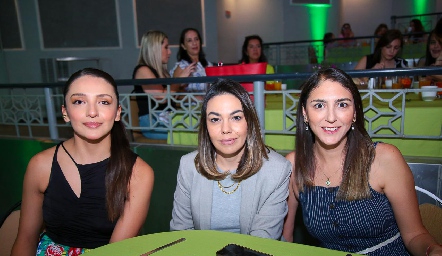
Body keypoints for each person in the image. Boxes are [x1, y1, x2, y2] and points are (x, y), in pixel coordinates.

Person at [281, 68, 442, 255]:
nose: (331, 117)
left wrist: (432, 250)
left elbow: (414, 235)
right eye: (319, 105)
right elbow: (285, 240)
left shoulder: (383, 158)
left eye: (342, 105)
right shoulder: (294, 165)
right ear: (305, 114)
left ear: (355, 112)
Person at [12, 68, 154, 255]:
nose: (92, 112)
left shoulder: (138, 173)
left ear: (117, 112)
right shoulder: (40, 165)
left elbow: (115, 253)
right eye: (79, 101)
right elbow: (26, 238)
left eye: (104, 102)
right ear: (65, 112)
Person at [170, 79, 291, 240]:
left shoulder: (276, 170)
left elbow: (262, 241)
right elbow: (181, 233)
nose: (225, 129)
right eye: (215, 119)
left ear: (249, 121)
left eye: (236, 118)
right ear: (205, 126)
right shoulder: (189, 166)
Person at [133, 30, 180, 140]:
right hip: (152, 122)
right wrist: (178, 79)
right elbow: (162, 98)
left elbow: (173, 98)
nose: (169, 52)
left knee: (198, 128)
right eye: (166, 47)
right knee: (190, 133)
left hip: (166, 118)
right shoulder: (143, 70)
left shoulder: (163, 72)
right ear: (155, 49)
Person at [170, 28, 213, 95]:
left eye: (196, 39)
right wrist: (194, 98)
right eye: (189, 40)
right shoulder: (182, 66)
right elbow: (175, 93)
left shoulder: (208, 64)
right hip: (190, 104)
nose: (194, 43)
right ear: (183, 46)